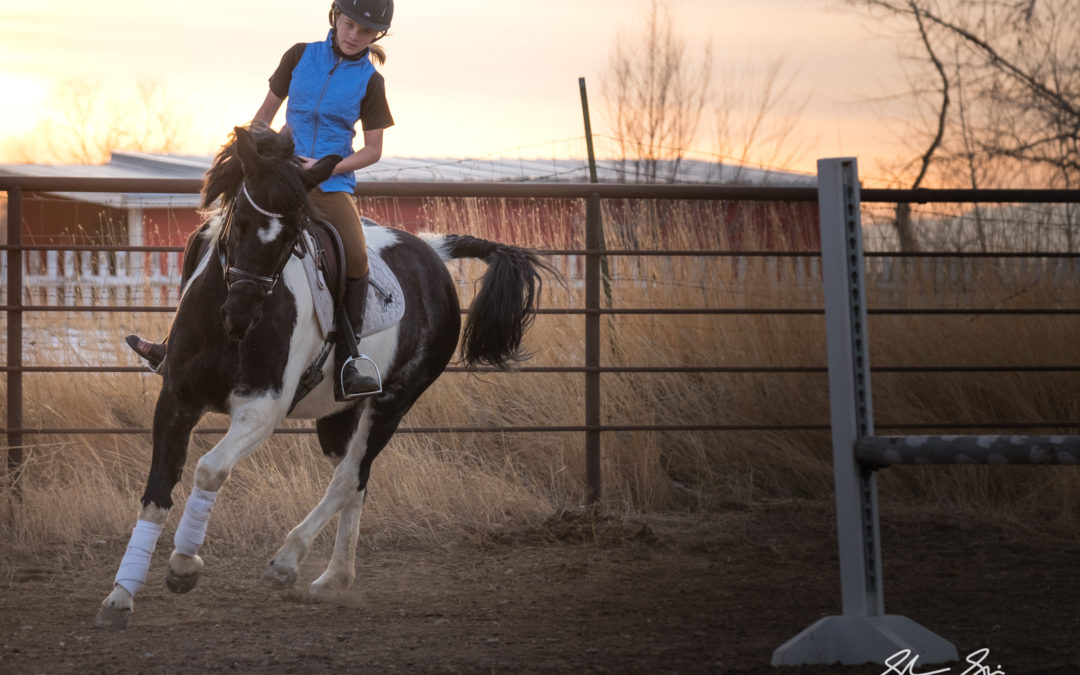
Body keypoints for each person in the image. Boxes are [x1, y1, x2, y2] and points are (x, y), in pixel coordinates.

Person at [128, 0, 395, 400]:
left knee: (356, 257)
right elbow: (262, 118)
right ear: (335, 16)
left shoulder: (371, 82)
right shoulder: (299, 55)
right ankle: (174, 346)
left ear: (376, 37)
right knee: (204, 238)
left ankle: (349, 361)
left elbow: (373, 150)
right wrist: (261, 158)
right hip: (277, 177)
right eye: (349, 23)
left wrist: (326, 166)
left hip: (328, 184)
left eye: (365, 31)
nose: (354, 35)